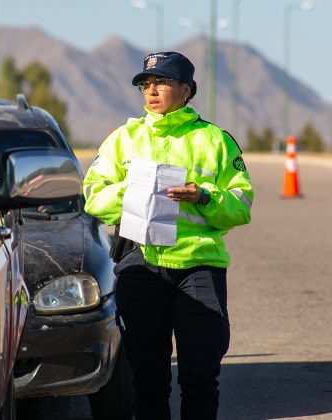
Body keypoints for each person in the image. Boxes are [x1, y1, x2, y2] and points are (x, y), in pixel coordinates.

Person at [82, 51, 254, 420]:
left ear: (186, 90)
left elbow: (241, 206)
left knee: (200, 376)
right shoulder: (121, 139)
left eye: (161, 82)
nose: (152, 90)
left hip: (199, 268)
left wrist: (203, 195)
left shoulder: (216, 140)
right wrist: (131, 191)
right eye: (146, 84)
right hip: (139, 266)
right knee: (147, 378)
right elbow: (94, 198)